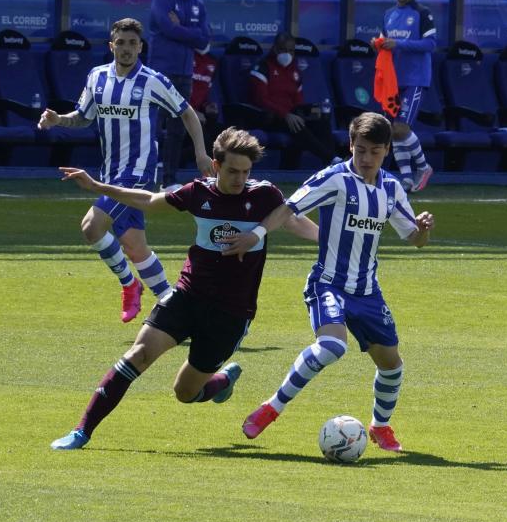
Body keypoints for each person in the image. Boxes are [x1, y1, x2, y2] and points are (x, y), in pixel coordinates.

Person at [50, 127, 319, 450]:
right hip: (187, 297)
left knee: (184, 392)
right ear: (216, 166)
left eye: (246, 172)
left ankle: (218, 383)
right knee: (138, 354)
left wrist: (330, 241)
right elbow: (149, 200)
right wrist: (96, 186)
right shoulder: (199, 193)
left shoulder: (264, 196)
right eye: (233, 171)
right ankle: (82, 431)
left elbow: (292, 220)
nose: (239, 179)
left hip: (231, 313)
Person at [223, 112, 434, 452]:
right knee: (333, 346)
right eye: (360, 150)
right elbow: (288, 208)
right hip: (328, 284)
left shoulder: (392, 188)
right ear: (351, 145)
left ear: (387, 151)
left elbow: (414, 238)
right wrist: (256, 234)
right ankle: (270, 409)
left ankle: (380, 426)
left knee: (392, 365)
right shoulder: (334, 178)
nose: (366, 159)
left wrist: (423, 231)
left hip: (367, 291)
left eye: (374, 152)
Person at [38, 18, 212, 324]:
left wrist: (200, 152)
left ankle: (129, 284)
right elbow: (83, 117)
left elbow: (186, 112)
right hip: (109, 172)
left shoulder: (152, 80)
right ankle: (179, 312)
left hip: (139, 174)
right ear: (111, 46)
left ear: (141, 47)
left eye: (133, 43)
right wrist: (57, 120)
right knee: (135, 246)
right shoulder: (97, 77)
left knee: (91, 226)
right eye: (121, 43)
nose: (127, 49)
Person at [372, 0, 435, 192]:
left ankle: (424, 167)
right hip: (394, 81)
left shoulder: (422, 13)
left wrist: (397, 43)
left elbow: (430, 44)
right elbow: (385, 42)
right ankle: (407, 179)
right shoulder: (388, 15)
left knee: (400, 127)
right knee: (392, 130)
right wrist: (378, 44)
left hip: (415, 79)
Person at [148, 0, 211, 192]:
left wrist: (182, 28)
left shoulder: (197, 4)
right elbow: (167, 28)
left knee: (178, 128)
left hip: (185, 73)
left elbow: (204, 39)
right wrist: (191, 32)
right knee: (153, 126)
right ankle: (147, 176)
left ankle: (169, 180)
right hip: (160, 71)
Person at [249, 32, 337, 170]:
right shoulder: (262, 68)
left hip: (291, 114)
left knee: (320, 119)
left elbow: (298, 100)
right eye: (283, 50)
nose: (287, 54)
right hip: (270, 117)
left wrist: (304, 114)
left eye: (291, 51)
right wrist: (285, 114)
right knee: (297, 124)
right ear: (275, 48)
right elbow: (260, 100)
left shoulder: (294, 71)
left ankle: (330, 164)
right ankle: (330, 158)